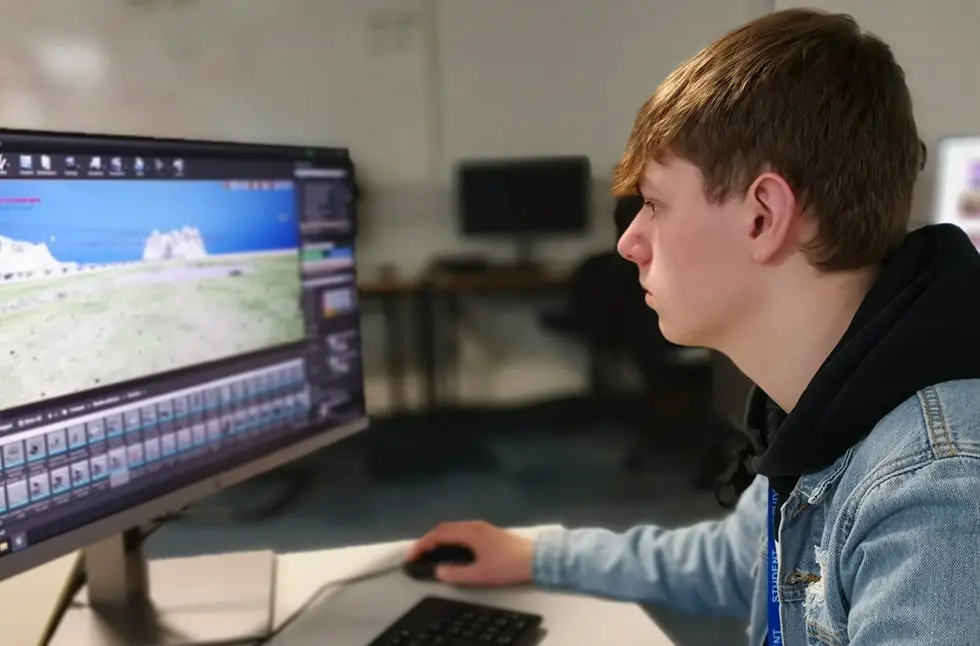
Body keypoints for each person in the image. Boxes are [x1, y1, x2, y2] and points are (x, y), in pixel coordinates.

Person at [408, 8, 980, 645]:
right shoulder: (829, 402)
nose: (629, 243)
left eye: (653, 204)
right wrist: (537, 555)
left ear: (762, 216)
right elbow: (740, 560)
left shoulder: (938, 495)